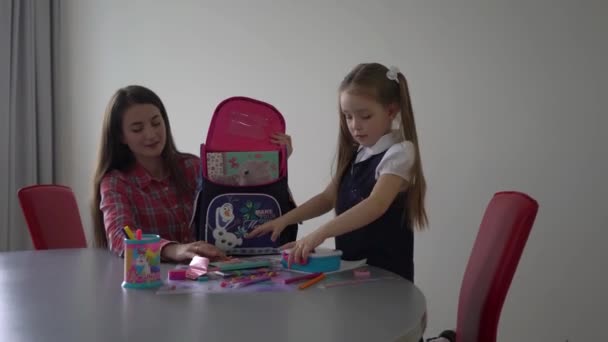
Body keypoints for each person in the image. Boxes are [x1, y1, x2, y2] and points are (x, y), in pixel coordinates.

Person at [247, 63, 427, 281]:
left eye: (365, 116)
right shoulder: (358, 153)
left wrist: (319, 234)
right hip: (354, 270)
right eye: (348, 116)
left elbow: (375, 204)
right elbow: (327, 198)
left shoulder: (400, 153)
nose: (354, 125)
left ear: (391, 111)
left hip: (387, 274)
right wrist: (284, 220)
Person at [91, 85, 293, 262]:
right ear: (120, 136)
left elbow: (243, 191)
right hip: (154, 285)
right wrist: (174, 250)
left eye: (156, 123)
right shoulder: (115, 182)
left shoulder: (192, 166)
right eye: (137, 129)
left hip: (211, 277)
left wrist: (276, 161)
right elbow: (120, 238)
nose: (151, 134)